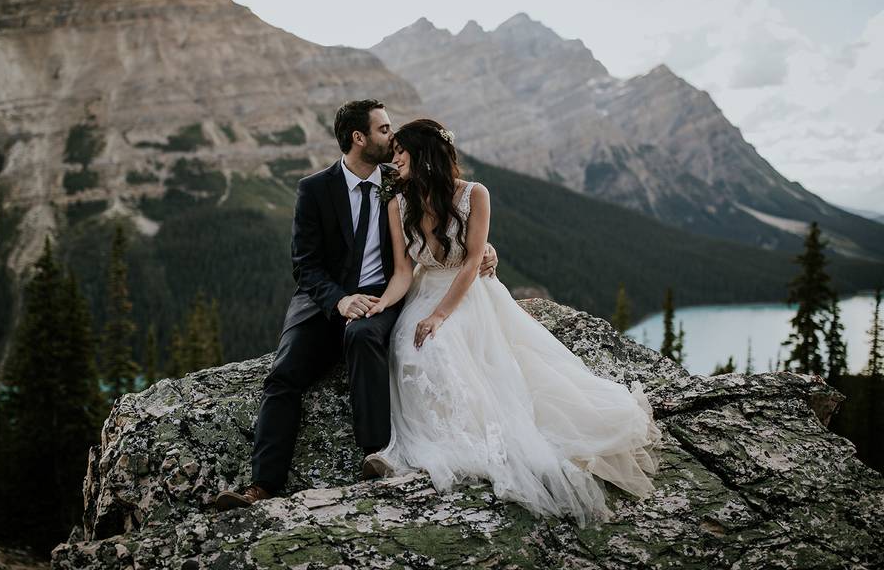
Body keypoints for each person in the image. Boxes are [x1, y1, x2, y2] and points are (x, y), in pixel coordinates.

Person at [361, 118, 663, 528]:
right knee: (406, 347)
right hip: (424, 288)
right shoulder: (399, 203)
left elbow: (472, 260)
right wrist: (381, 305)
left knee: (442, 343)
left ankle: (467, 442)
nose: (394, 160)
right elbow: (402, 271)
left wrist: (439, 315)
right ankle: (423, 443)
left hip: (468, 293)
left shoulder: (474, 195)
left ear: (424, 153)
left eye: (401, 152)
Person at [215, 101, 498, 510]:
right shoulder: (314, 189)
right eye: (384, 130)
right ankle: (261, 486)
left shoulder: (400, 181)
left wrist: (488, 251)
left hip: (384, 295)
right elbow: (305, 266)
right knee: (284, 374)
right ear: (358, 138)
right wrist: (340, 300)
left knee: (365, 339)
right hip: (325, 301)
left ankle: (375, 455)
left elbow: (448, 217)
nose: (393, 137)